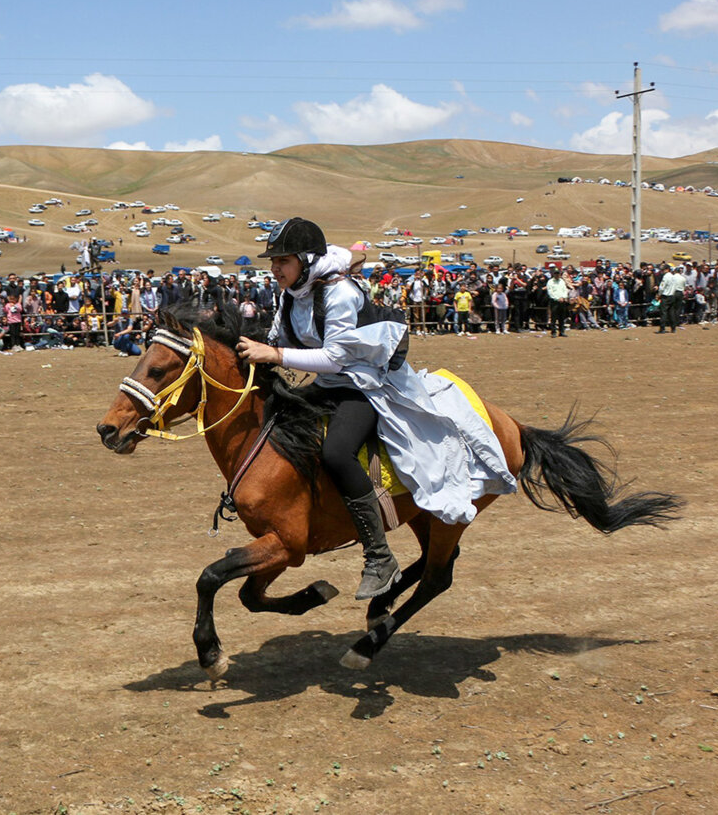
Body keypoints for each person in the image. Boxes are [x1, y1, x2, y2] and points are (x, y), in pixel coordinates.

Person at [236, 218, 517, 601]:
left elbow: (336, 357)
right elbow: (277, 339)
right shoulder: (292, 292)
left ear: (304, 259)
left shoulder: (340, 293)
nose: (275, 269)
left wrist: (276, 354)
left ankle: (379, 556)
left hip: (369, 386)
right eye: (273, 261)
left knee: (336, 452)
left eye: (282, 260)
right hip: (332, 384)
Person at [657, 262, 686, 334]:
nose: (662, 271)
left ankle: (662, 328)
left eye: (663, 270)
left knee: (663, 312)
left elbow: (662, 287)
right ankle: (673, 328)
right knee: (671, 312)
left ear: (667, 269)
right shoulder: (673, 277)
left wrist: (659, 294)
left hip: (665, 296)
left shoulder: (666, 277)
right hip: (672, 296)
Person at [545, 268, 570, 337]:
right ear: (553, 274)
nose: (557, 275)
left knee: (562, 317)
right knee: (553, 317)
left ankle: (561, 331)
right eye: (555, 273)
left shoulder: (562, 281)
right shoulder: (550, 282)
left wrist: (563, 297)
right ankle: (553, 332)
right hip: (554, 301)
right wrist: (557, 298)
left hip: (562, 301)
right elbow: (550, 292)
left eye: (558, 273)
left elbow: (565, 290)